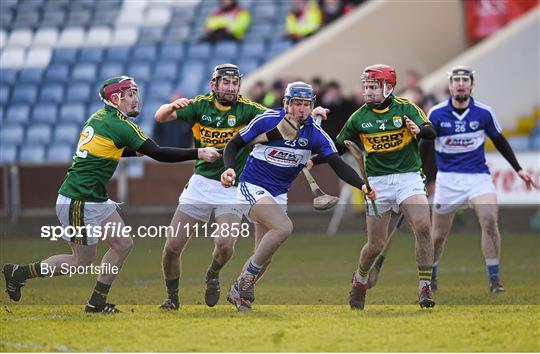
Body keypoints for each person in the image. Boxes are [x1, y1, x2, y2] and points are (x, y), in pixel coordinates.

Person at [2, 76, 220, 313]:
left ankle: (96, 303)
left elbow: (106, 149)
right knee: (80, 262)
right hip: (79, 200)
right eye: (130, 94)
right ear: (115, 98)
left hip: (93, 198)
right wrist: (199, 152)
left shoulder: (100, 117)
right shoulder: (120, 124)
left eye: (136, 93)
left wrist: (131, 152)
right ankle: (19, 272)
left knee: (123, 244)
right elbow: (157, 153)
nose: (136, 99)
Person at [154, 65, 328, 310]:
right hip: (200, 184)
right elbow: (160, 116)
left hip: (232, 186)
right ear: (214, 85)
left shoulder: (250, 110)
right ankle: (172, 297)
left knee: (225, 246)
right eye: (225, 82)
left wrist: (309, 112)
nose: (231, 87)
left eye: (235, 83)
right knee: (172, 247)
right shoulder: (200, 106)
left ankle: (213, 274)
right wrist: (171, 106)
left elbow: (283, 117)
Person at [220, 81, 376, 311]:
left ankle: (238, 294)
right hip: (251, 187)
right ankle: (243, 282)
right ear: (286, 103)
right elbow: (233, 144)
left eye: (306, 104)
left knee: (263, 256)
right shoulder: (268, 120)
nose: (301, 109)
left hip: (278, 195)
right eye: (297, 104)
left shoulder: (316, 135)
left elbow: (338, 165)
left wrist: (362, 185)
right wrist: (229, 168)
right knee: (283, 228)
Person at [335, 64, 437, 309]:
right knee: (375, 246)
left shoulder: (405, 108)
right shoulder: (359, 117)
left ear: (388, 87)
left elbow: (431, 131)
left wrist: (419, 130)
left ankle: (425, 287)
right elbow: (338, 146)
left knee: (423, 227)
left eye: (373, 87)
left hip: (408, 177)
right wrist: (313, 157)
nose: (367, 92)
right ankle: (359, 280)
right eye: (366, 87)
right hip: (377, 182)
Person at [427, 66, 535, 293]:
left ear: (472, 85)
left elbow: (500, 141)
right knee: (437, 235)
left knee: (488, 220)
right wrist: (427, 177)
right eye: (456, 80)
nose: (460, 84)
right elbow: (424, 146)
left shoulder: (484, 113)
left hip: (478, 177)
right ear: (450, 86)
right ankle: (431, 276)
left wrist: (518, 169)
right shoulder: (436, 114)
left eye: (465, 80)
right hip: (447, 179)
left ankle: (494, 280)